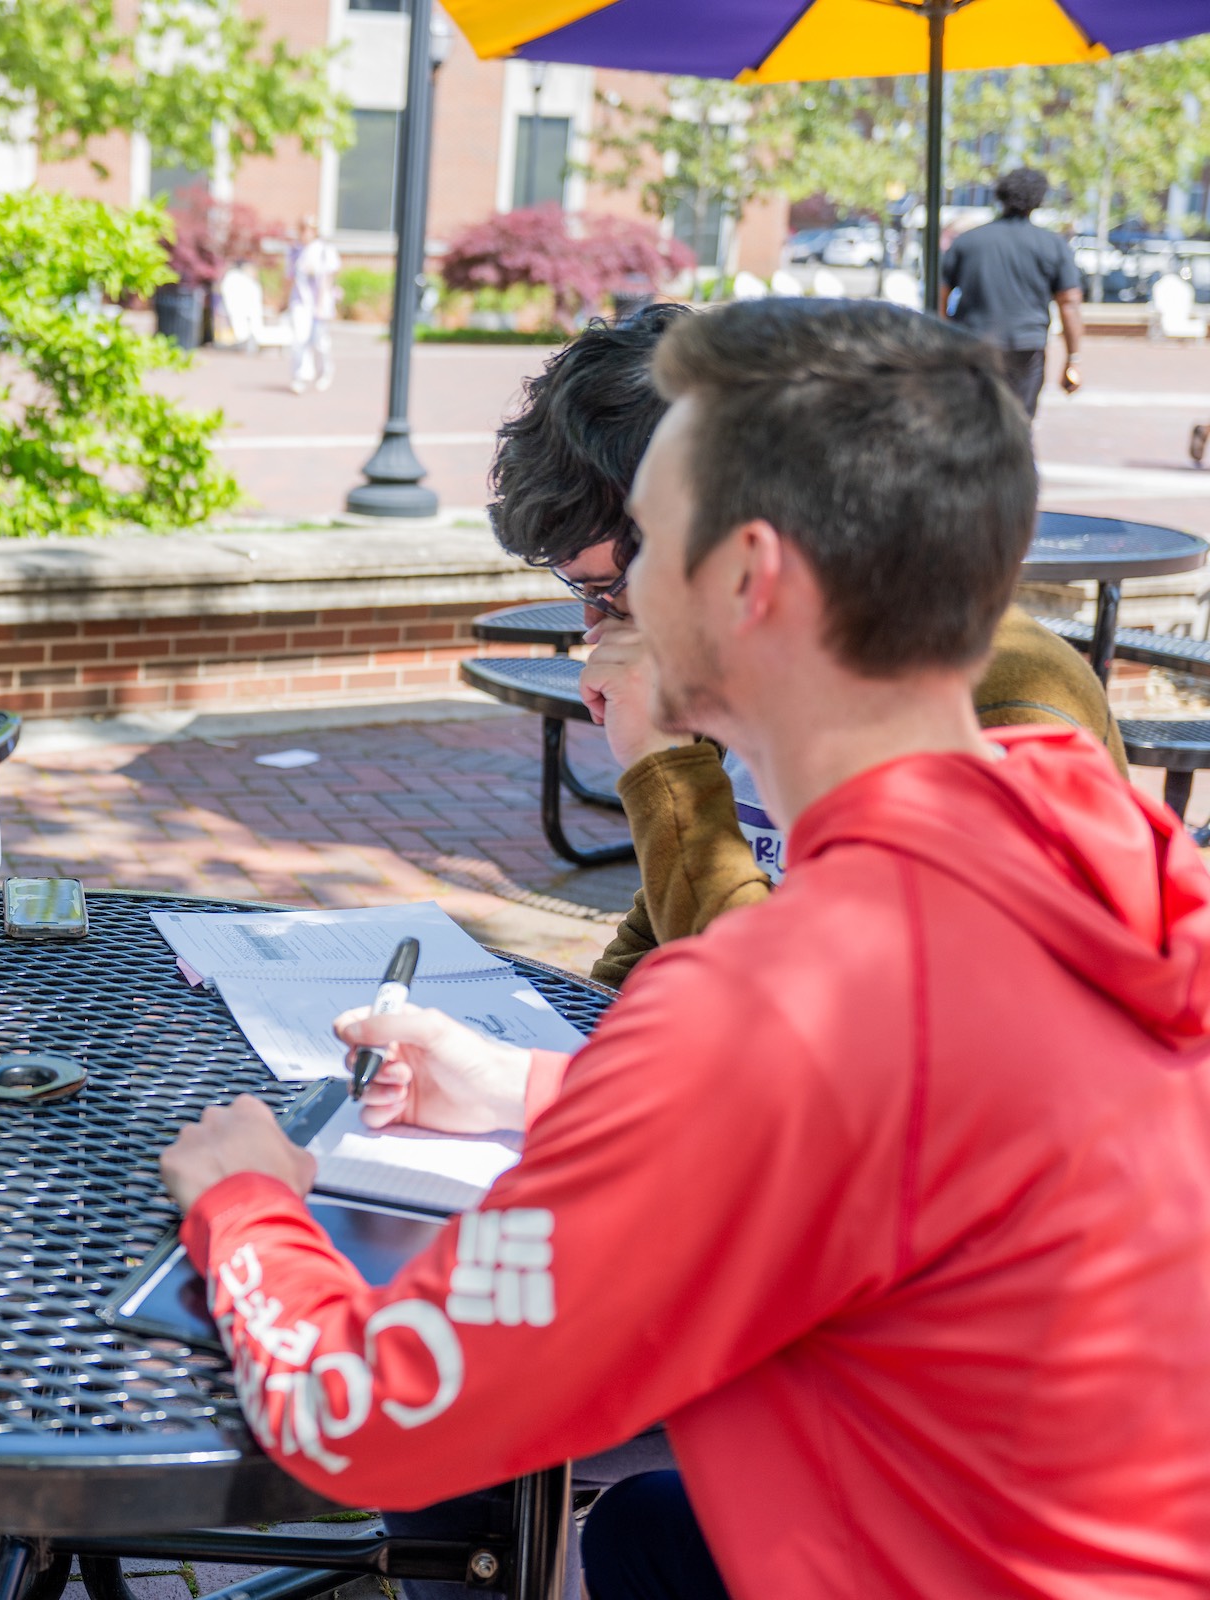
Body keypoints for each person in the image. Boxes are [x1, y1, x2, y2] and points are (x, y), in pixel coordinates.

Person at [159, 299, 1210, 1597]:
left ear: (746, 580)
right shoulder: (1076, 819)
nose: (603, 607)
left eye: (636, 555)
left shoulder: (777, 1002)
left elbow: (363, 1418)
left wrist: (243, 1204)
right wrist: (536, 1087)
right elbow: (902, 1123)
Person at [486, 301, 1120, 989]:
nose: (595, 625)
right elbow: (666, 940)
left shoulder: (1002, 722)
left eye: (614, 583)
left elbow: (803, 1020)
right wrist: (554, 1048)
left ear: (747, 555)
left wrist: (663, 766)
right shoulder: (761, 675)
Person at [939, 166, 1083, 416]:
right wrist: (1073, 359)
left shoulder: (968, 241)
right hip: (1026, 346)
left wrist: (943, 338)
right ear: (1038, 199)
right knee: (1019, 420)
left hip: (972, 342)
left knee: (972, 420)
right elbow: (1069, 303)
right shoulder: (1052, 245)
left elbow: (940, 294)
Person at [285, 217, 339, 394]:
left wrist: (322, 305)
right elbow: (290, 278)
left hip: (319, 303)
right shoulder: (295, 251)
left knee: (319, 341)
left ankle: (325, 371)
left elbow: (327, 279)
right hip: (300, 302)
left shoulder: (324, 250)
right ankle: (300, 376)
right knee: (299, 339)